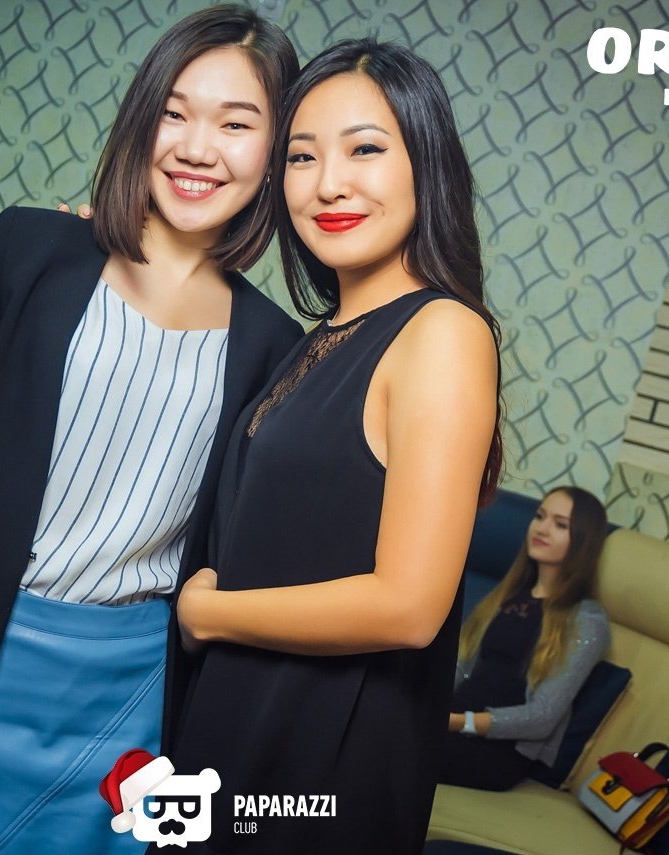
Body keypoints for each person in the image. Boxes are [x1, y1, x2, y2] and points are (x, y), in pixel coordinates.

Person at [0, 7, 301, 855]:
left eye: (236, 124)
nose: (197, 147)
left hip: (122, 702)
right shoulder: (30, 250)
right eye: (175, 112)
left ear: (275, 151)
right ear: (142, 119)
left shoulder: (275, 345)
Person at [161, 40, 504, 854]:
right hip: (238, 723)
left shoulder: (442, 331)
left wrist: (208, 612)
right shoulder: (317, 339)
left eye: (365, 150)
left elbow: (409, 606)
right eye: (302, 157)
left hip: (321, 755)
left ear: (427, 165)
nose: (328, 184)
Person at [442, 486, 610, 791]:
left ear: (583, 541)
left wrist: (459, 721)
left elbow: (542, 716)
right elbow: (463, 666)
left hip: (497, 750)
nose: (542, 528)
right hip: (451, 722)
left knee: (390, 748)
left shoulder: (586, 620)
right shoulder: (508, 595)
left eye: (560, 525)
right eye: (540, 516)